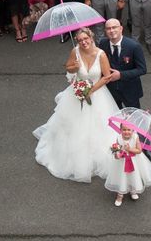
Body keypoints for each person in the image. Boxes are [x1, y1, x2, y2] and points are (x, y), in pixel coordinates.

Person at [33, 27, 117, 182]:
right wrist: (75, 67)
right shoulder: (75, 51)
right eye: (80, 40)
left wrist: (90, 91)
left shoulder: (101, 54)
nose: (83, 42)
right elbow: (68, 67)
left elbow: (106, 77)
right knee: (73, 125)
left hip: (96, 93)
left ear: (91, 38)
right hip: (77, 92)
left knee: (98, 126)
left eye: (86, 39)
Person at [106, 124, 151, 207]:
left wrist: (129, 149)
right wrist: (117, 154)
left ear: (133, 130)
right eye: (124, 130)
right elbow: (117, 148)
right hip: (122, 161)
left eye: (129, 130)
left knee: (133, 175)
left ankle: (133, 190)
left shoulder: (135, 137)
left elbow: (139, 150)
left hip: (134, 161)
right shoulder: (119, 137)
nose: (126, 132)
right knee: (122, 176)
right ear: (120, 130)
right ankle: (120, 195)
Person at [99, 19, 147, 109]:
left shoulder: (134, 46)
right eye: (108, 28)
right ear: (105, 31)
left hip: (130, 90)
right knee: (115, 116)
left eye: (114, 27)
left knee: (133, 117)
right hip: (110, 89)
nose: (111, 30)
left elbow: (142, 69)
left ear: (121, 28)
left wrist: (120, 75)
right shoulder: (102, 44)